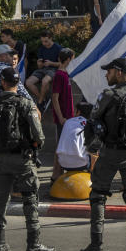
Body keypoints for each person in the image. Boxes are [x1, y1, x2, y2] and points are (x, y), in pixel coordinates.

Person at [79, 58, 126, 251]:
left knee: (98, 197)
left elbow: (93, 121)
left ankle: (96, 246)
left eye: (109, 71)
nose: (106, 74)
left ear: (119, 72)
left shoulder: (108, 94)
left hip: (110, 152)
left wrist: (91, 148)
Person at [0, 66, 54, 251]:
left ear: (2, 82)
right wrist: (34, 146)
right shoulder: (25, 103)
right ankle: (33, 245)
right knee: (30, 200)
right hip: (23, 158)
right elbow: (39, 136)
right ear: (18, 83)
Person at [50, 48, 76, 182]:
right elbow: (55, 97)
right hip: (63, 118)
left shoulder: (66, 74)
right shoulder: (59, 75)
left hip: (69, 117)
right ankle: (55, 175)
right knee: (60, 146)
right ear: (67, 59)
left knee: (63, 146)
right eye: (72, 58)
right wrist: (60, 117)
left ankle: (58, 173)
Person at [26, 31, 62, 108]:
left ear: (51, 38)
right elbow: (39, 67)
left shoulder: (58, 48)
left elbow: (62, 64)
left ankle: (40, 102)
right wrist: (39, 64)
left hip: (53, 69)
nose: (44, 43)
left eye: (46, 41)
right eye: (42, 41)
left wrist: (51, 63)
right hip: (42, 69)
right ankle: (42, 99)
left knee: (45, 81)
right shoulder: (41, 49)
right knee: (28, 82)